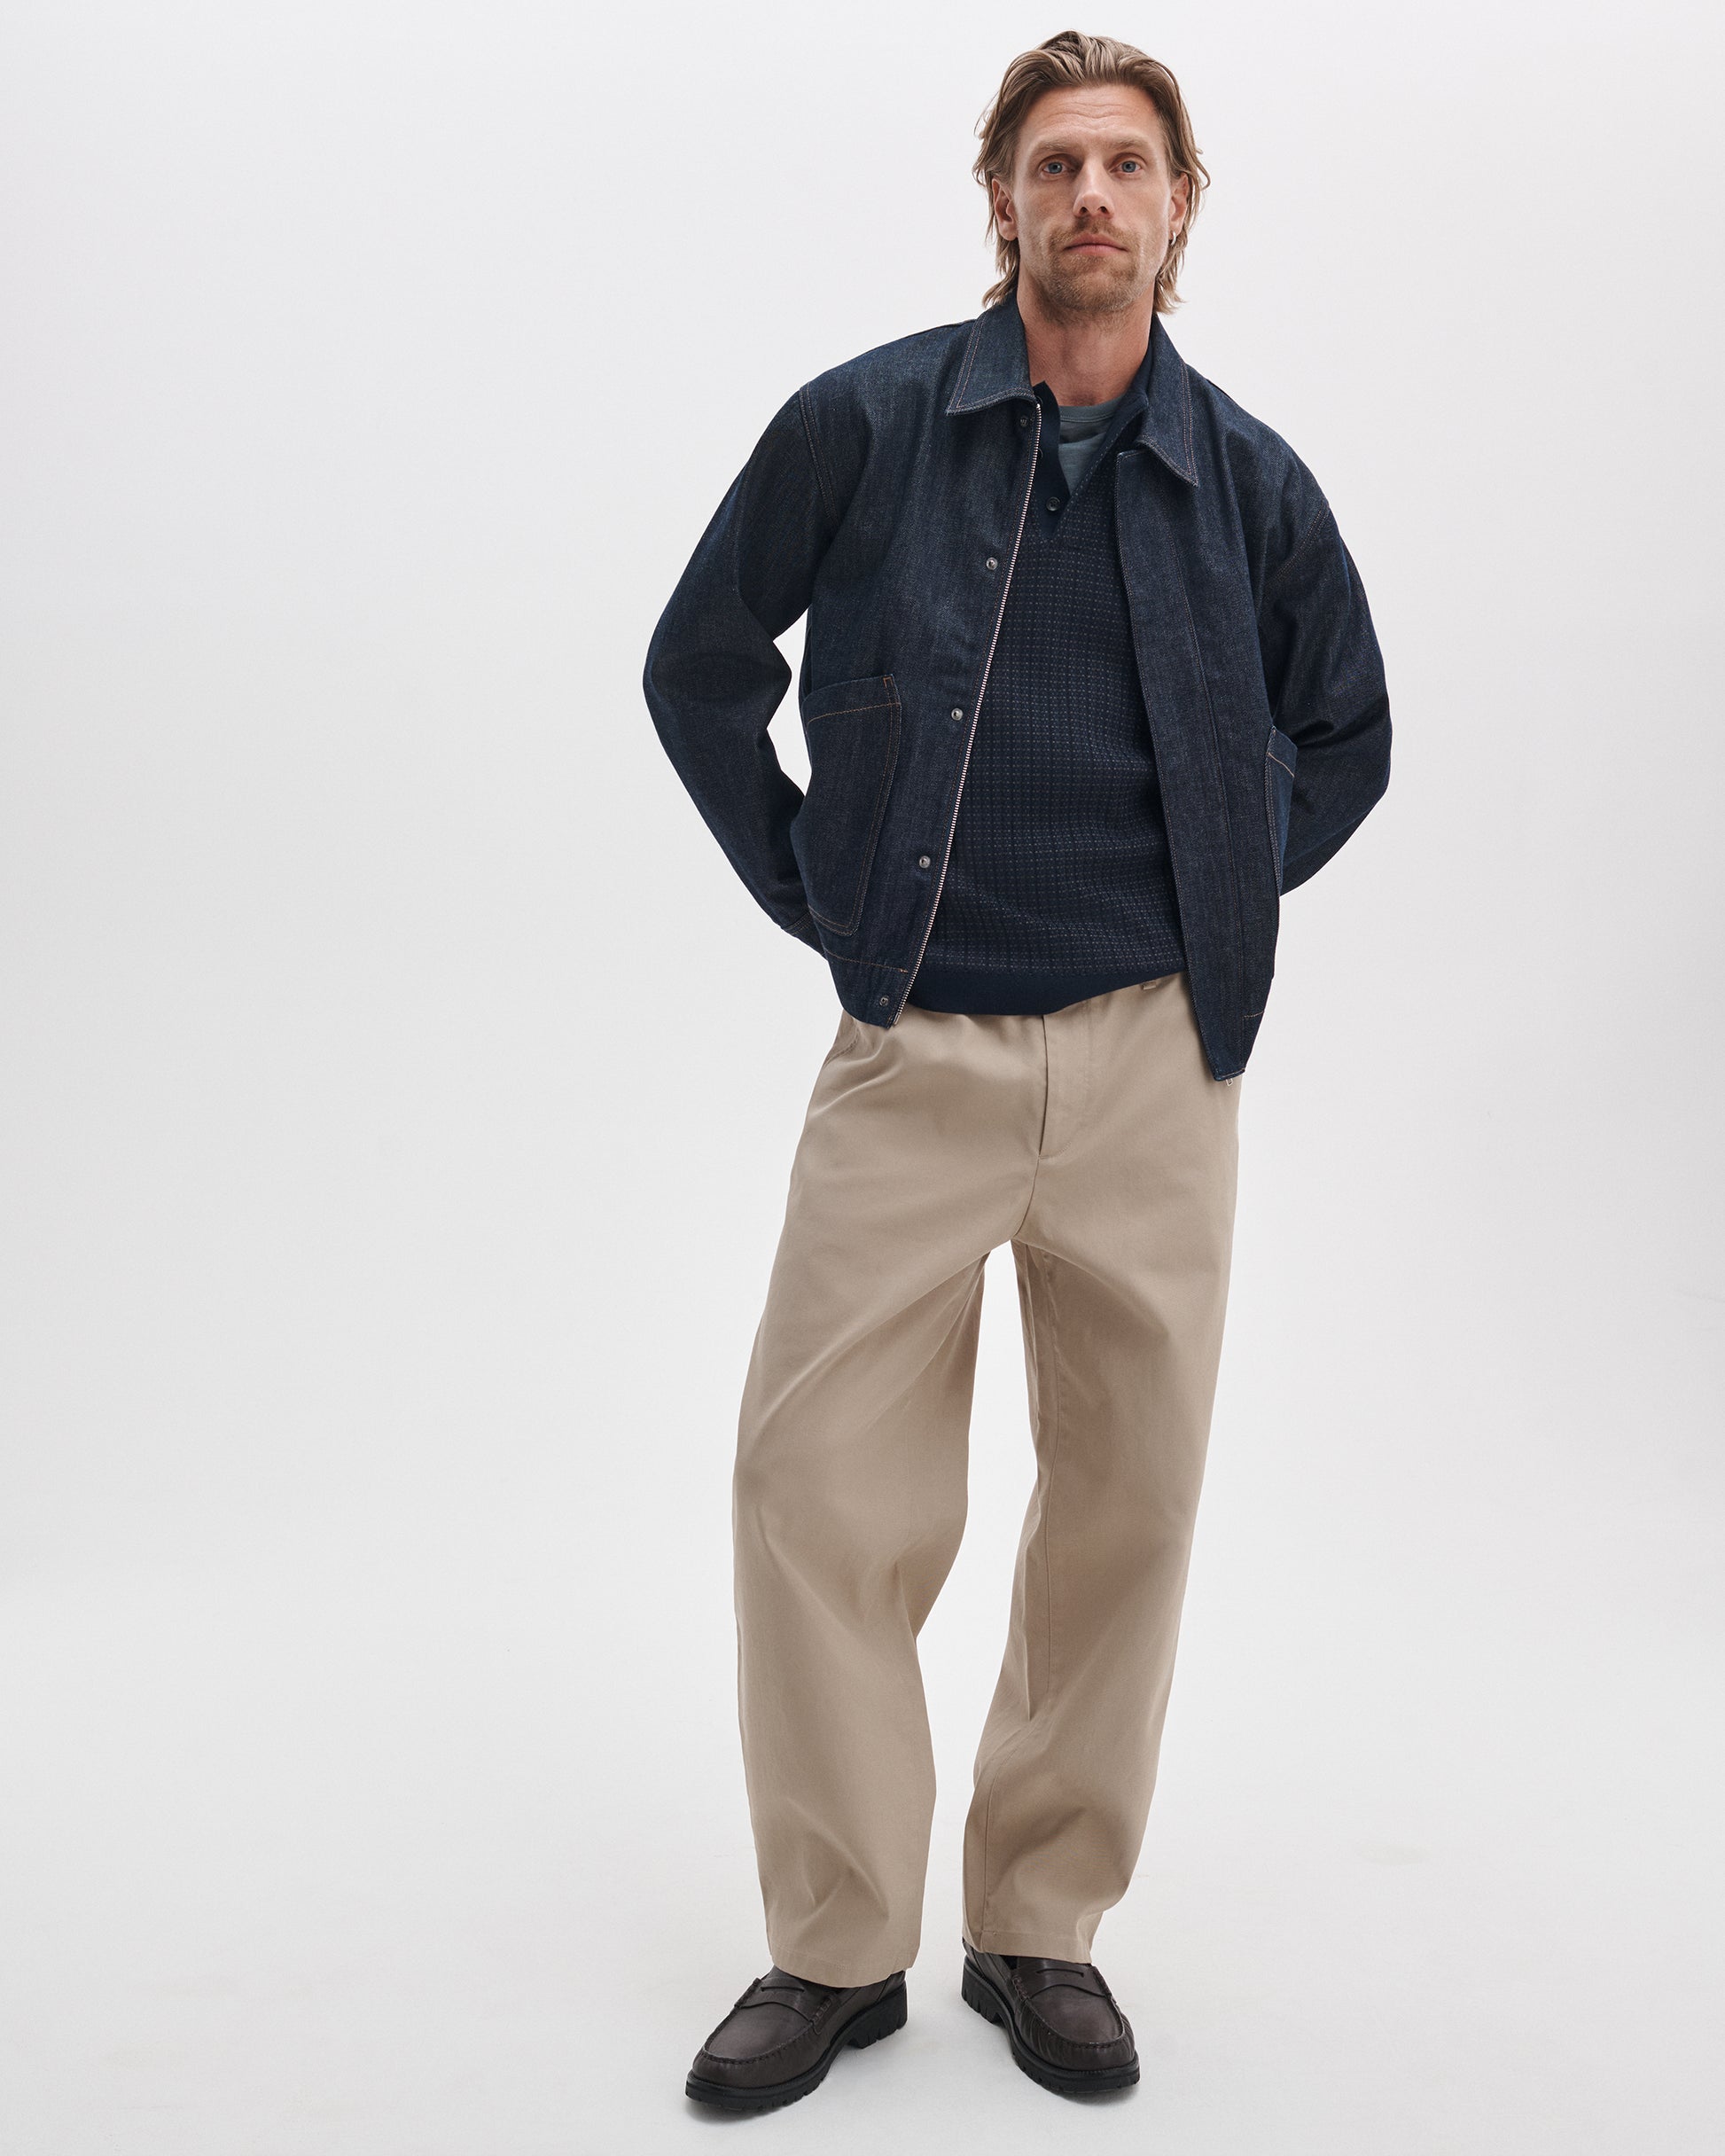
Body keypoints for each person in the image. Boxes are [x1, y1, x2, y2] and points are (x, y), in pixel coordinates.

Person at [642, 27, 1391, 2112]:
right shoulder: (866, 426)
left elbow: (1349, 728)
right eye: (1054, 163)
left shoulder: (1245, 478)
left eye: (1126, 164)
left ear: (1179, 204)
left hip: (1156, 1061)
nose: (1090, 197)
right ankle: (833, 1947)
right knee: (809, 1487)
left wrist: (1215, 882)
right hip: (919, 1045)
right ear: (1000, 199)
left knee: (1126, 1504)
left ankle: (1037, 1924)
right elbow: (699, 666)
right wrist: (817, 885)